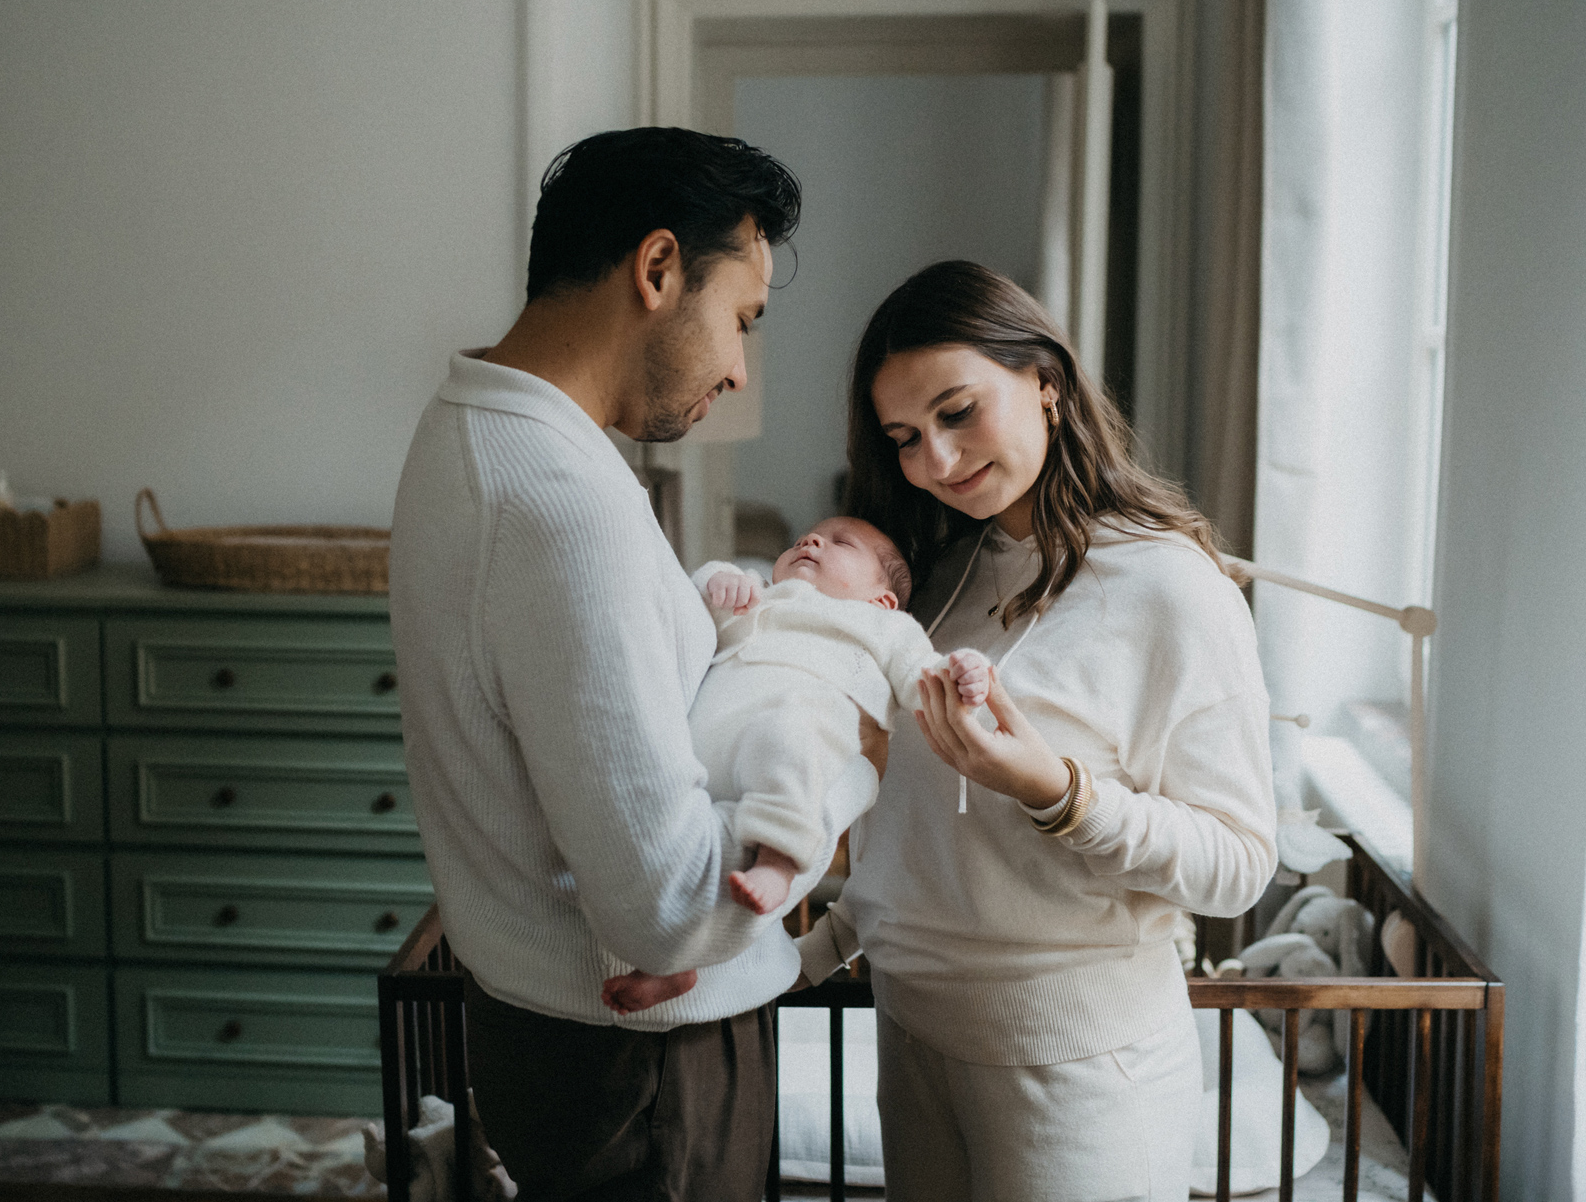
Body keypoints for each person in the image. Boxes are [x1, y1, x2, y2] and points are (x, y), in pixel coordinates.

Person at [391, 128, 884, 1201]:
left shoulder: (467, 429)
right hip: (642, 1063)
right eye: (742, 319)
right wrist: (853, 771)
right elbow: (672, 911)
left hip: (553, 1027)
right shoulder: (561, 505)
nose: (739, 368)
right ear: (658, 268)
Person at [796, 260, 1276, 1201]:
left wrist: (1056, 791)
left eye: (958, 412)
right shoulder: (934, 576)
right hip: (911, 1038)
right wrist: (793, 958)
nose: (937, 462)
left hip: (1082, 1074)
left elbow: (1240, 863)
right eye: (904, 438)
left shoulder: (1171, 589)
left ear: (1046, 383)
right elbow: (911, 854)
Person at [601, 516, 991, 1016]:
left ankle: (779, 859)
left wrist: (962, 675)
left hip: (798, 737)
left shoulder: (885, 629)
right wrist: (717, 580)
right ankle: (668, 958)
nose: (812, 540)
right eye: (806, 538)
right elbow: (691, 607)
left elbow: (924, 681)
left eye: (841, 543)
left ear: (882, 600)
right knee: (669, 844)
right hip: (708, 741)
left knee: (791, 731)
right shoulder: (760, 595)